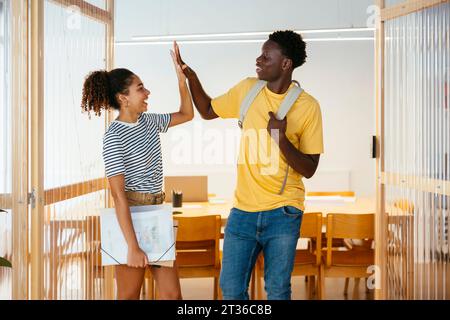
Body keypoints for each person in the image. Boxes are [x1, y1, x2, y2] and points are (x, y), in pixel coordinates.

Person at [174, 30, 324, 300]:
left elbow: (310, 168)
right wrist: (191, 77)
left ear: (285, 64)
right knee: (231, 289)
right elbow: (207, 111)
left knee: (277, 290)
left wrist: (281, 139)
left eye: (267, 56)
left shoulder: (308, 107)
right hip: (242, 211)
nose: (258, 59)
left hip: (283, 212)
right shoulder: (248, 89)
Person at [81, 43, 193, 300]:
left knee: (172, 296)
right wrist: (132, 245)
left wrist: (180, 78)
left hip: (157, 213)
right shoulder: (113, 137)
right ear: (123, 98)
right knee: (130, 295)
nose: (147, 92)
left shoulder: (150, 122)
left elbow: (187, 114)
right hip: (130, 218)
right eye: (140, 88)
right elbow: (118, 195)